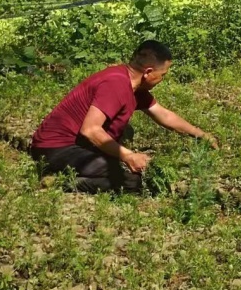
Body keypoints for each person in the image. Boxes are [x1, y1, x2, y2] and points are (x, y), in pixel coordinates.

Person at [30, 40, 216, 193]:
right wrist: (129, 156)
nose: (162, 80)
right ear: (149, 72)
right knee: (132, 181)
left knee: (125, 132)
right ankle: (62, 183)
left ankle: (79, 171)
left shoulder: (134, 86)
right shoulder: (116, 84)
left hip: (70, 144)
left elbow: (163, 114)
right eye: (163, 75)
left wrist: (201, 134)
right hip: (56, 148)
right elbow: (90, 129)